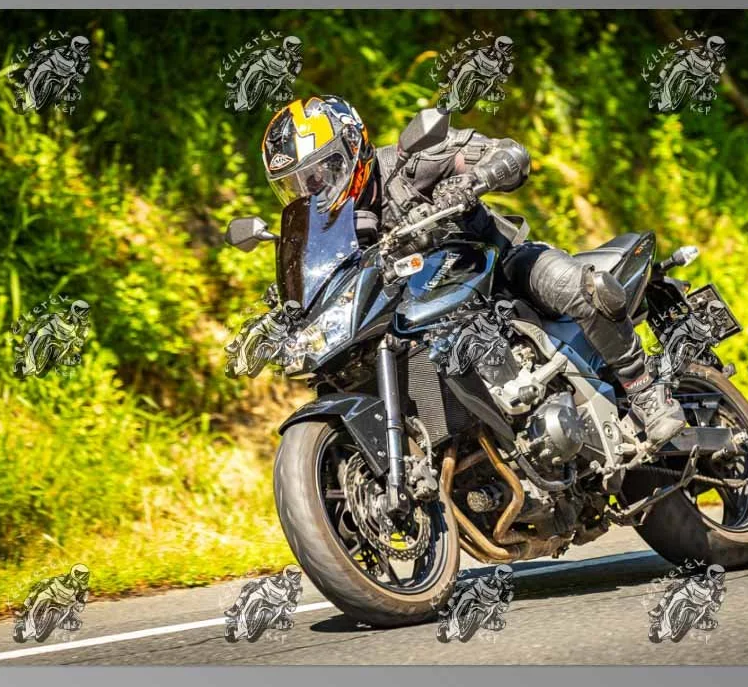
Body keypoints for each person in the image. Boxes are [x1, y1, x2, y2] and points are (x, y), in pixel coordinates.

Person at [259, 95, 686, 446]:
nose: (313, 190)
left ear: (353, 147)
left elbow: (511, 154)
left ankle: (644, 389)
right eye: (298, 185)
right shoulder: (334, 233)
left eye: (321, 173)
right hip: (414, 313)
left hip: (496, 268)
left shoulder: (412, 163)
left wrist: (473, 180)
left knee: (577, 286)